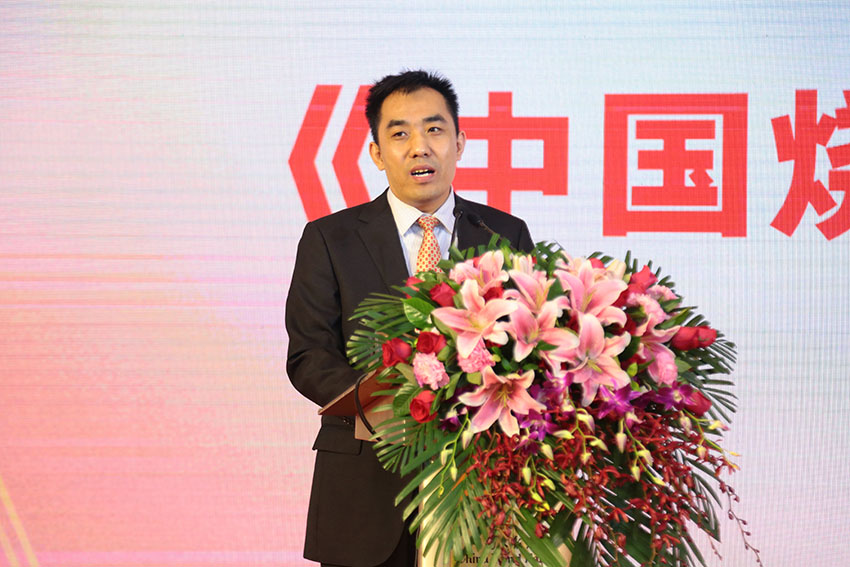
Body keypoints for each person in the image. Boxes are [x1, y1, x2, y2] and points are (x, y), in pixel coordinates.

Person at [286, 70, 533, 567]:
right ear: (377, 153)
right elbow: (309, 354)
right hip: (365, 480)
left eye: (434, 129)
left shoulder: (502, 233)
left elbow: (531, 342)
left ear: (459, 143)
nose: (420, 147)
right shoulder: (330, 238)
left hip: (478, 485)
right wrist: (396, 405)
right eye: (400, 134)